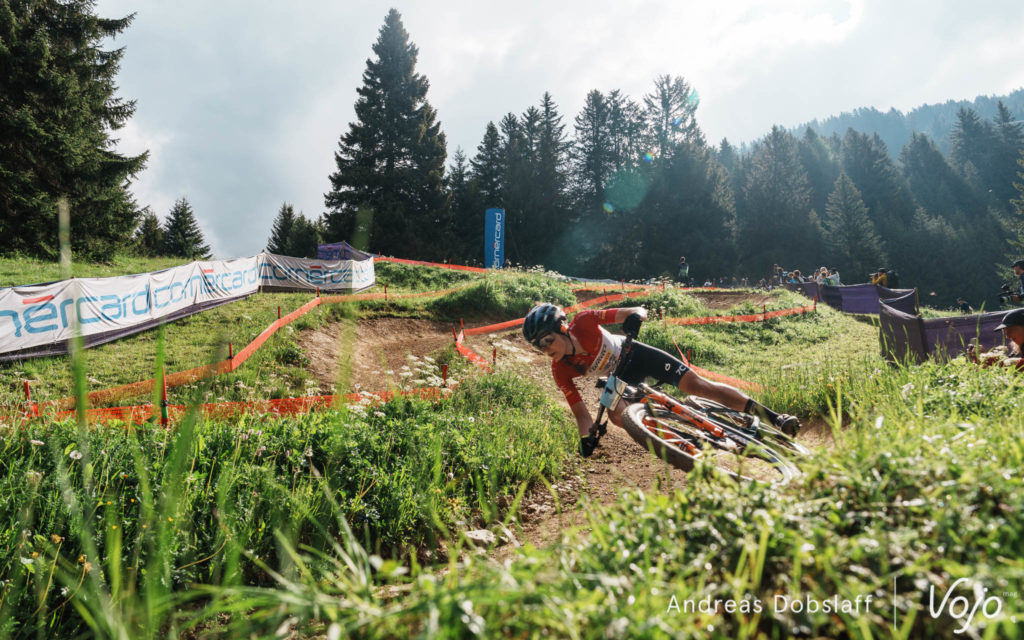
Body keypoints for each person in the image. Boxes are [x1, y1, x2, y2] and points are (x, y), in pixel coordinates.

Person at [522, 303, 802, 456]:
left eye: (547, 340)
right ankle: (683, 444)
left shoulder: (583, 322)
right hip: (617, 376)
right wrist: (587, 439)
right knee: (617, 416)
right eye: (539, 346)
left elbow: (638, 309)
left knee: (698, 385)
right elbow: (582, 416)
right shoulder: (560, 370)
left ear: (562, 328)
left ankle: (773, 417)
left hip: (634, 353)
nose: (545, 350)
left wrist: (634, 318)